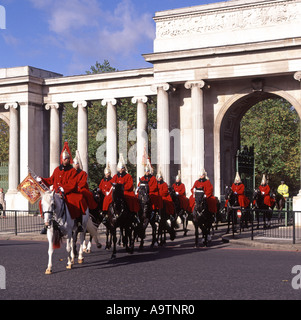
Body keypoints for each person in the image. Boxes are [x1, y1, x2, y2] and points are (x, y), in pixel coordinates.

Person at [39, 142, 88, 233]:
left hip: (67, 193)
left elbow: (73, 184)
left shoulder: (72, 171)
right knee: (43, 202)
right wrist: (41, 180)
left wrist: (63, 189)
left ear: (69, 160)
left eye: (67, 159)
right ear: (61, 159)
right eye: (64, 158)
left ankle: (78, 223)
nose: (65, 160)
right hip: (55, 193)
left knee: (78, 200)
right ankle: (46, 223)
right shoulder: (57, 169)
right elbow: (50, 180)